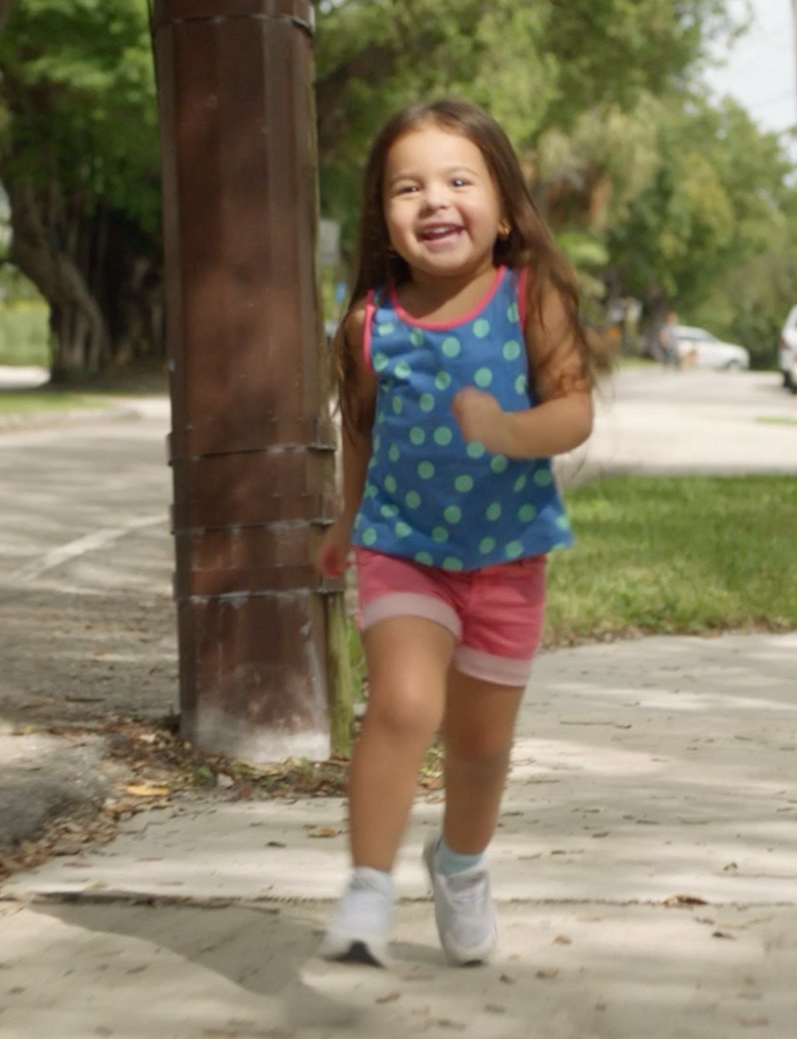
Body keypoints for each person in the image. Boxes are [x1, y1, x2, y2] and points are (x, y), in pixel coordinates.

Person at [315, 97, 613, 969]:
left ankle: (462, 864)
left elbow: (574, 410)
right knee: (405, 706)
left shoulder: (533, 296)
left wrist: (509, 430)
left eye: (457, 179)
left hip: (507, 555)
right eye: (407, 187)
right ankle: (368, 887)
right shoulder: (373, 323)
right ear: (384, 217)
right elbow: (361, 431)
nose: (433, 200)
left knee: (480, 748)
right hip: (403, 546)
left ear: (506, 205)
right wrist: (346, 517)